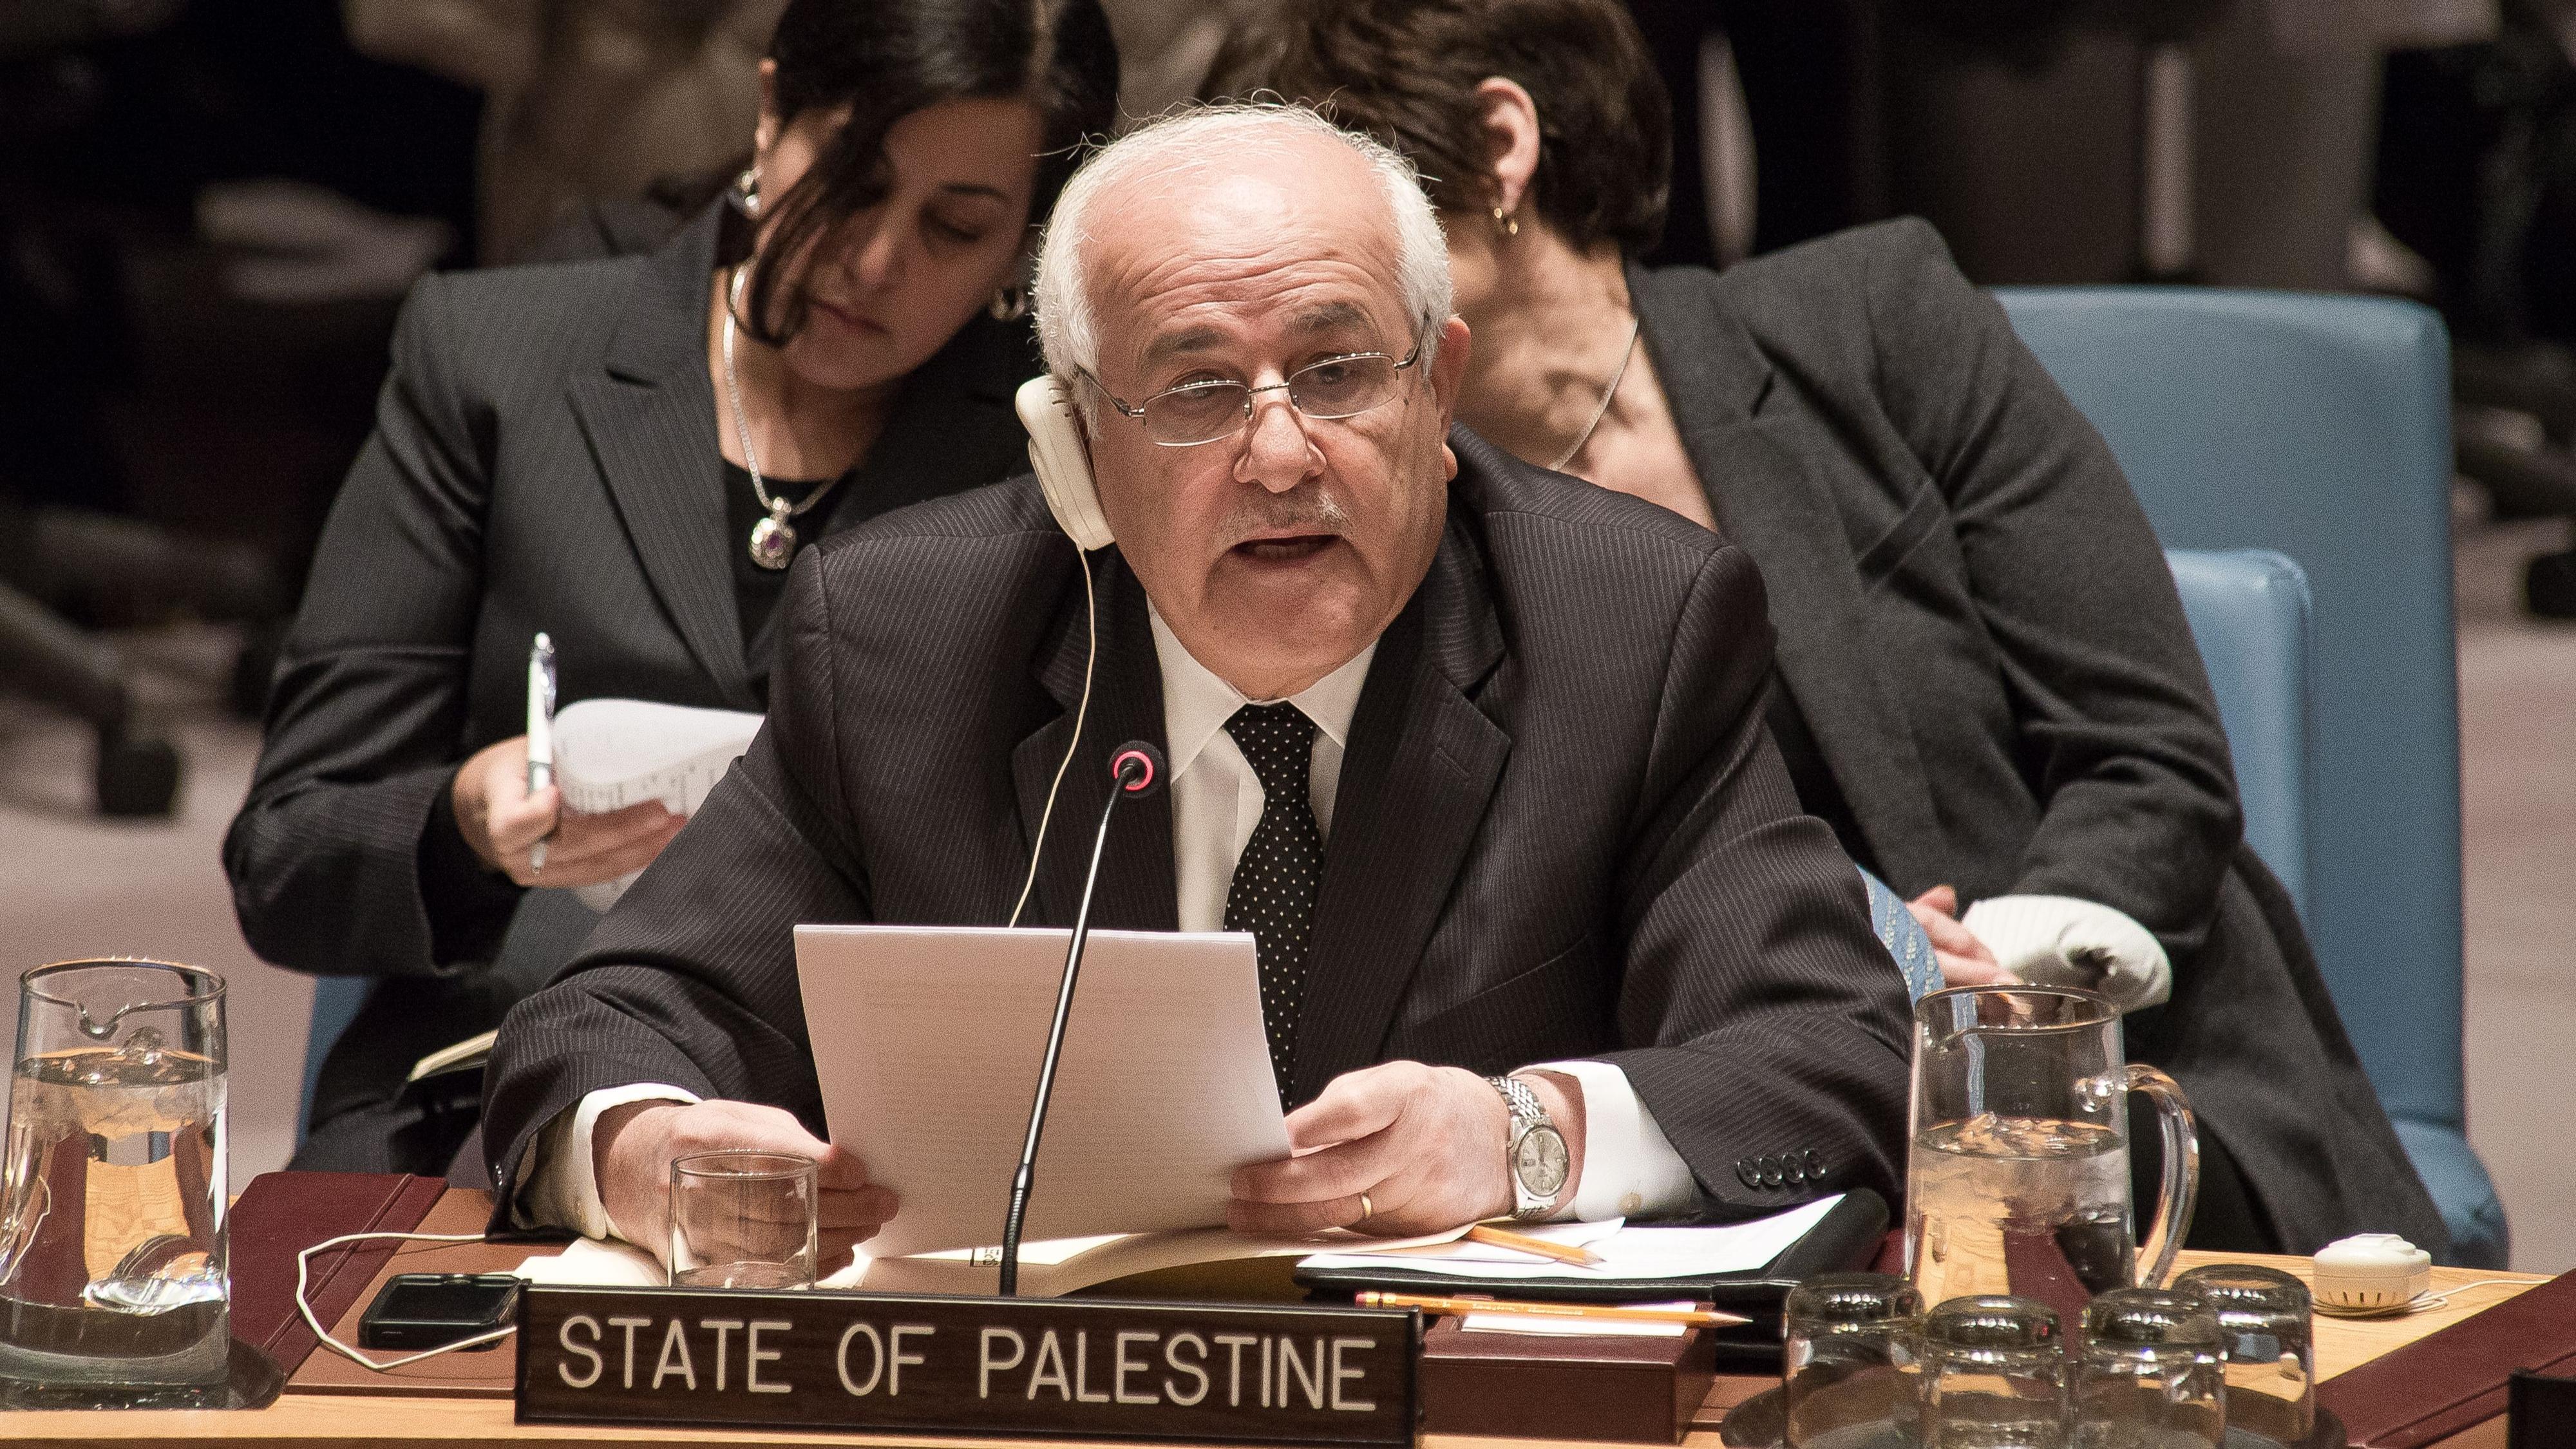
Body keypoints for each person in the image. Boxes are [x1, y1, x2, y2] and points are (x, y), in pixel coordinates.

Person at [480, 104, 1916, 1265]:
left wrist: (1520, 1134)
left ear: (1438, 387)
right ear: (1075, 444)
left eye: (1338, 370)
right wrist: (648, 1153)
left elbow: (1835, 1054)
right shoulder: (903, 640)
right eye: (1195, 390)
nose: (1281, 455)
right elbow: (605, 1020)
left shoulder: (1628, 625)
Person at [1206, 0, 2451, 1256]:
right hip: (1691, 1133)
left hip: (2093, 1075)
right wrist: (1850, 985)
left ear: (1500, 144)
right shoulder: (1361, 526)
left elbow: (2151, 756)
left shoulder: (1873, 322)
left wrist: (1981, 976)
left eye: (1330, 202)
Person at [225, 0, 1121, 1176]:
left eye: (955, 228)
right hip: (492, 1094)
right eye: (851, 183)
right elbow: (289, 856)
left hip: (881, 1132)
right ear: (771, 114)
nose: (874, 262)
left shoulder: (1057, 452)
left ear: (1026, 243)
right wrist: (464, 827)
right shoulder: (498, 360)